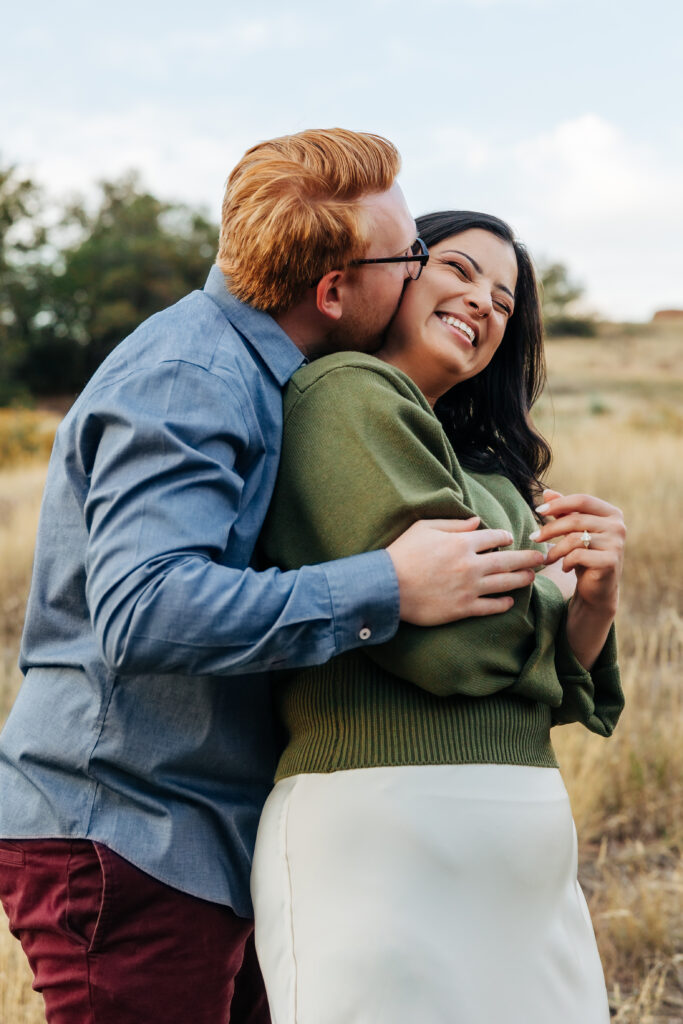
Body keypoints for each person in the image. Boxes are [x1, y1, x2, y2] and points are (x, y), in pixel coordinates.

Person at [0, 136, 547, 1024]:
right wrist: (386, 586)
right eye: (408, 255)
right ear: (332, 291)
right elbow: (145, 609)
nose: (419, 273)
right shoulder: (192, 375)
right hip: (127, 826)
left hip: (198, 831)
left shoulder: (276, 379)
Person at [251, 210, 626, 1024]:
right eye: (458, 269)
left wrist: (592, 604)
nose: (483, 303)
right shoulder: (341, 393)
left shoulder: (488, 472)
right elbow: (450, 652)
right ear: (398, 270)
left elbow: (558, 689)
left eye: (504, 297)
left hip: (522, 844)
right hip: (385, 834)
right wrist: (544, 617)